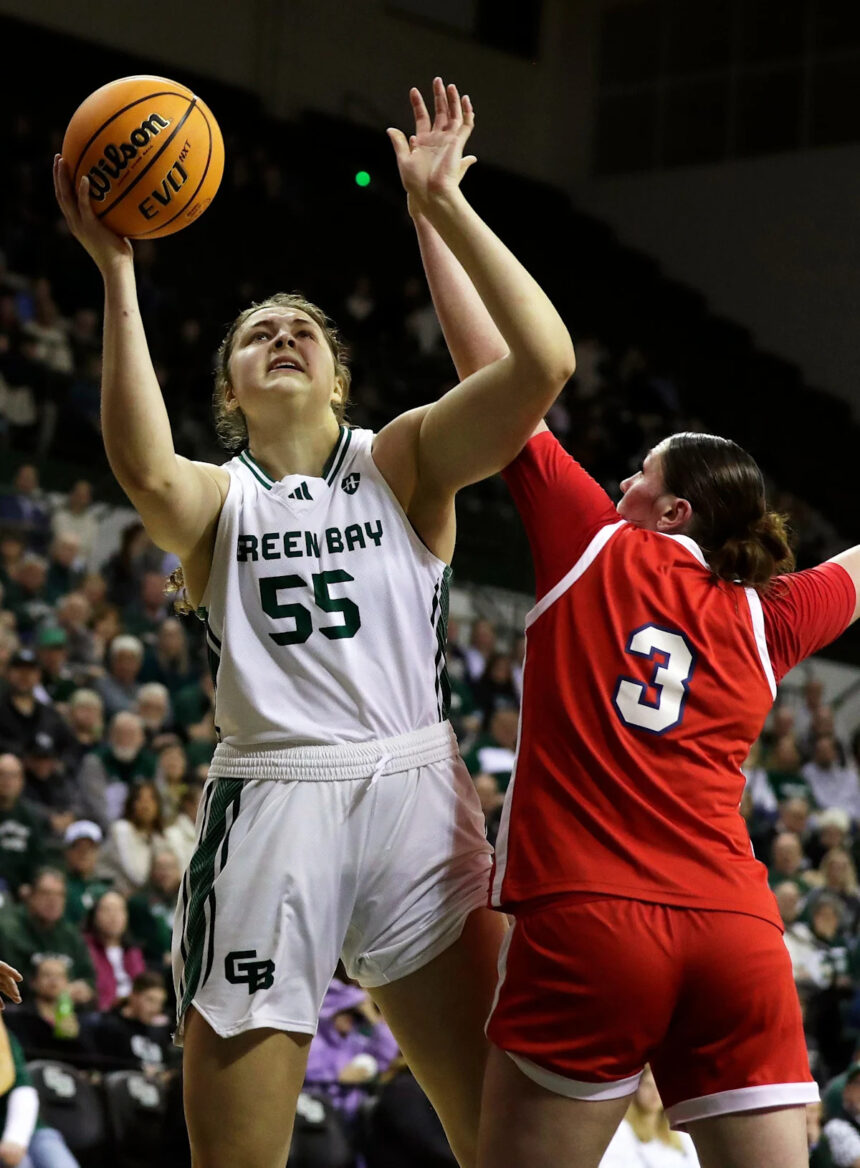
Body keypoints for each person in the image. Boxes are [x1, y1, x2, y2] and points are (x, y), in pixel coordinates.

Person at [54, 76, 575, 1168]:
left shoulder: (401, 459)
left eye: (302, 330)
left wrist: (441, 207)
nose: (281, 334)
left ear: (340, 379)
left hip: (411, 795)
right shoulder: (215, 498)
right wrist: (116, 270)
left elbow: (541, 366)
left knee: (507, 1142)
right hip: (272, 801)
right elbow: (142, 465)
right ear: (233, 393)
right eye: (256, 334)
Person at [412, 179, 860, 1168]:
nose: (619, 482)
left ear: (672, 513)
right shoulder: (768, 613)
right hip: (735, 932)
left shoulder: (588, 540)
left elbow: (492, 371)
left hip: (589, 919)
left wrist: (429, 208)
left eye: (640, 474)